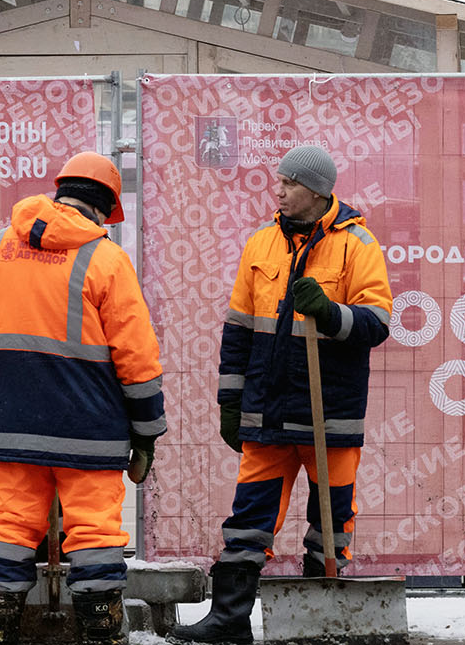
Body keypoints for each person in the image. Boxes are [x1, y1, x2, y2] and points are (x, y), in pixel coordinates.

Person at [170, 145, 393, 645]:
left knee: (331, 521)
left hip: (327, 414)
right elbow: (239, 331)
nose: (279, 191)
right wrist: (231, 402)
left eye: (289, 184)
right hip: (267, 411)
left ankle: (321, 615)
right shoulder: (261, 245)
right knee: (249, 517)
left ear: (315, 191)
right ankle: (229, 619)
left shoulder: (357, 245)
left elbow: (377, 323)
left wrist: (332, 313)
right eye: (279, 182)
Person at [0, 152, 165, 645]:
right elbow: (136, 357)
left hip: (12, 419)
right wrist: (146, 431)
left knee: (9, 524)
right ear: (105, 208)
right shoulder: (105, 259)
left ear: (61, 191)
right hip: (88, 427)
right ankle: (100, 634)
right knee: (95, 532)